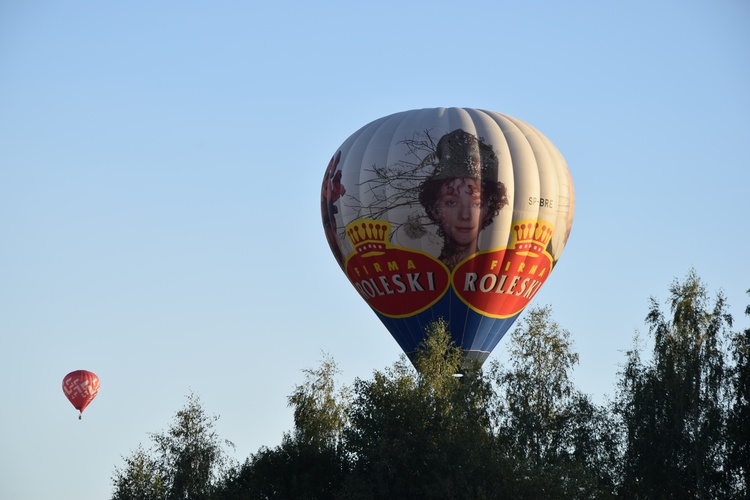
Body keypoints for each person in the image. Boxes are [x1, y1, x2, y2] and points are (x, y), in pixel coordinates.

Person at [419, 129, 508, 270]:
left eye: (476, 204)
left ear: (489, 211)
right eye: (452, 202)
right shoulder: (420, 270)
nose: (465, 216)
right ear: (434, 209)